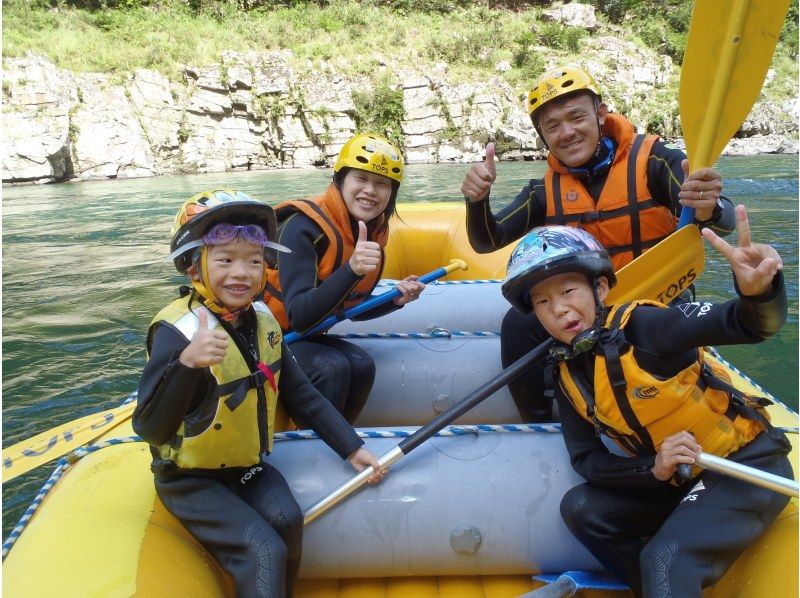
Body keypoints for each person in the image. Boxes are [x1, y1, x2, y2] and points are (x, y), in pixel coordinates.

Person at [501, 211, 792, 597]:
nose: (559, 309)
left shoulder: (647, 328)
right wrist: (650, 468)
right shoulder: (569, 372)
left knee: (664, 558)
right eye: (543, 301)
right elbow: (586, 460)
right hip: (681, 478)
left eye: (569, 291)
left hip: (743, 466)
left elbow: (749, 325)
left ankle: (667, 578)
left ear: (600, 289)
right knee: (582, 508)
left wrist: (759, 293)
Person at [132, 189, 385, 598]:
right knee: (262, 547)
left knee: (286, 519)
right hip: (189, 479)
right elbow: (149, 427)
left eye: (253, 261)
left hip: (245, 466)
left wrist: (351, 447)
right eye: (225, 259)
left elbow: (301, 394)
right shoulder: (177, 332)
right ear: (195, 266)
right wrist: (187, 366)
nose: (242, 273)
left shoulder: (262, 319)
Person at [461, 64, 737, 422]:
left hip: (656, 299)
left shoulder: (654, 161)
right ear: (543, 137)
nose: (567, 132)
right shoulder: (545, 190)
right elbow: (487, 241)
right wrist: (477, 200)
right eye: (552, 126)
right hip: (588, 306)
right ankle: (540, 419)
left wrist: (709, 205)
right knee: (518, 324)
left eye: (576, 117)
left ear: (601, 114)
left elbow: (724, 218)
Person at [264, 132, 425, 425]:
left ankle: (337, 447)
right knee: (333, 367)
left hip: (301, 338)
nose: (370, 191)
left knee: (362, 365)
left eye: (381, 184)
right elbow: (300, 316)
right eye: (360, 179)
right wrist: (351, 270)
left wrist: (395, 300)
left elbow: (346, 308)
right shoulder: (302, 228)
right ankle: (312, 450)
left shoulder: (369, 235)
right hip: (265, 340)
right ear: (340, 180)